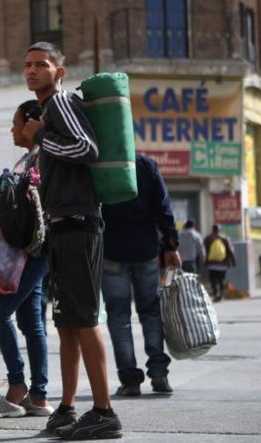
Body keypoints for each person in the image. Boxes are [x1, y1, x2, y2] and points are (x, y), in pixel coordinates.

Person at [20, 42, 122, 440]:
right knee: (66, 324)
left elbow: (86, 148)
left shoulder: (61, 104)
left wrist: (41, 137)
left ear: (59, 72)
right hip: (63, 226)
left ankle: (105, 412)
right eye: (28, 65)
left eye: (41, 65)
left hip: (79, 224)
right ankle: (66, 408)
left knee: (84, 320)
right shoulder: (48, 110)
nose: (32, 71)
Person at [0, 100, 52, 419]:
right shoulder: (29, 158)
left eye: (16, 123)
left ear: (31, 124)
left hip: (35, 249)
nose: (12, 129)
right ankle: (39, 396)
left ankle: (17, 387)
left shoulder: (41, 157)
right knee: (31, 322)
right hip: (29, 250)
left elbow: (33, 204)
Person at [100, 153, 179, 398]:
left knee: (119, 317)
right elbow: (163, 207)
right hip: (146, 250)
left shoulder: (102, 164)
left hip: (112, 250)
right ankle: (159, 374)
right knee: (151, 312)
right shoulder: (146, 165)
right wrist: (171, 244)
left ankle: (130, 380)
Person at [203, 225, 236, 302]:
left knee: (213, 280)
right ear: (219, 230)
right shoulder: (225, 239)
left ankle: (215, 294)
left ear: (212, 230)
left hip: (211, 264)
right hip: (222, 264)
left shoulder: (208, 238)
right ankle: (221, 294)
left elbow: (203, 250)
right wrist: (233, 261)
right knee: (221, 280)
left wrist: (204, 261)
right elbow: (230, 250)